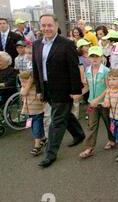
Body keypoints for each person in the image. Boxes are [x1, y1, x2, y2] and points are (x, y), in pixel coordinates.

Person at [32, 14, 86, 168]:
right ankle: (79, 134)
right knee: (64, 114)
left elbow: (74, 69)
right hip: (46, 88)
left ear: (56, 26)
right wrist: (38, 89)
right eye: (43, 25)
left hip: (64, 89)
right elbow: (37, 69)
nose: (46, 28)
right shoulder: (36, 44)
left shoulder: (67, 44)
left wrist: (76, 91)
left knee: (57, 121)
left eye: (49, 25)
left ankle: (50, 154)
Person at [79, 46, 116, 159]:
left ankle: (112, 140)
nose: (94, 59)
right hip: (92, 104)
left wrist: (98, 99)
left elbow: (109, 87)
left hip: (104, 103)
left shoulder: (106, 71)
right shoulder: (87, 70)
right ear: (88, 58)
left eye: (97, 56)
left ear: (101, 58)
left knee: (108, 123)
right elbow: (87, 86)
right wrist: (79, 95)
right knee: (91, 125)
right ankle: (89, 148)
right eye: (92, 56)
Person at [19, 71, 46, 156]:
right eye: (21, 81)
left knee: (37, 126)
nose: (22, 83)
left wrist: (29, 82)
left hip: (36, 109)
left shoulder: (33, 87)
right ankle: (42, 138)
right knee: (33, 125)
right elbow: (22, 93)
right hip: (29, 111)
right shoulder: (24, 86)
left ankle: (37, 146)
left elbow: (24, 92)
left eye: (24, 81)